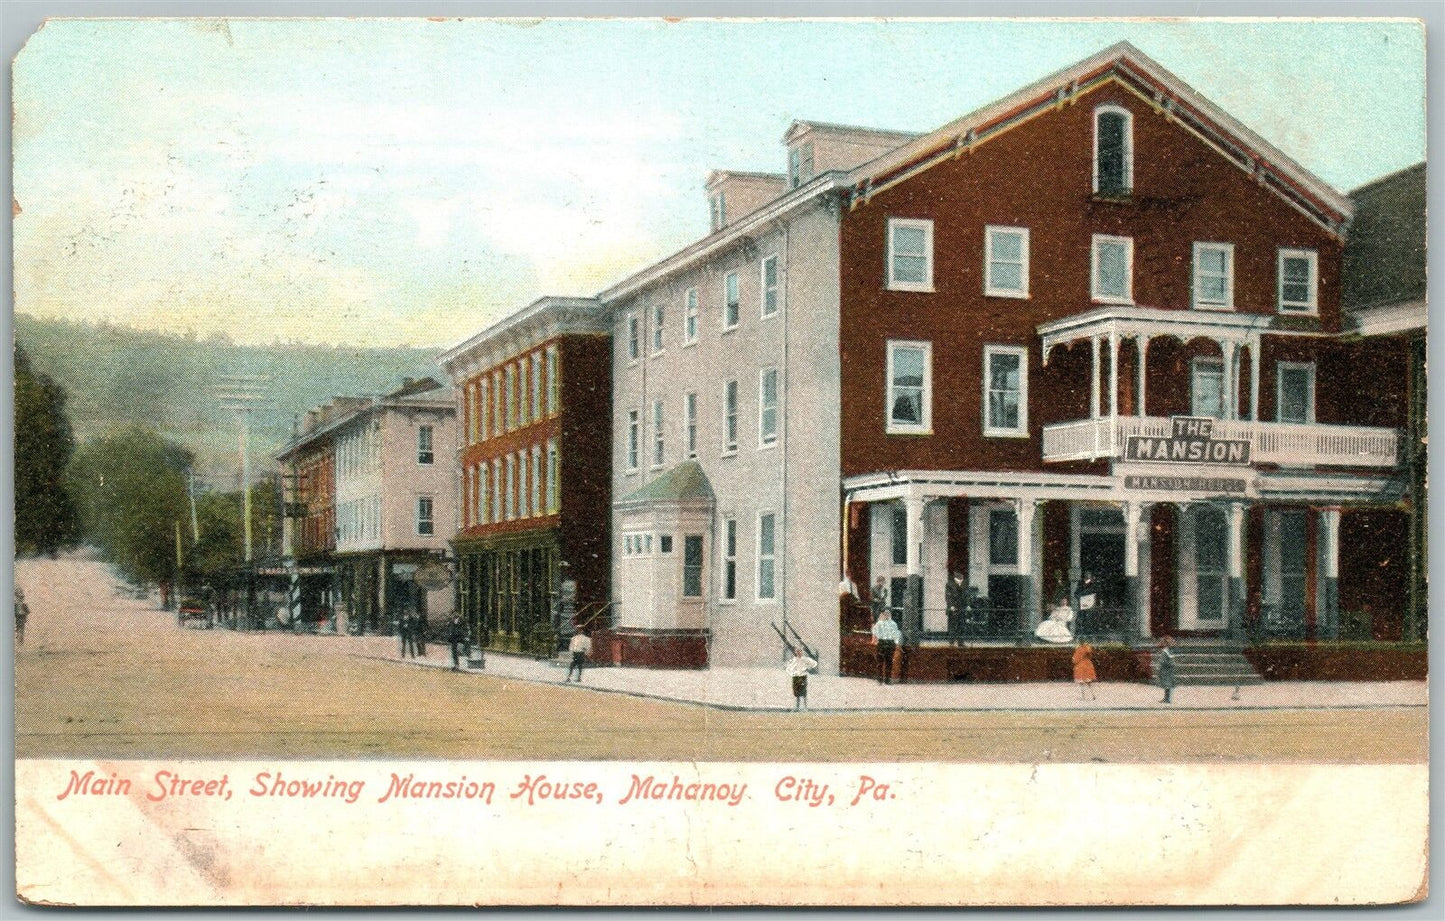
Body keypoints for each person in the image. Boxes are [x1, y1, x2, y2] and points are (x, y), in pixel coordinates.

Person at [871, 610, 902, 685]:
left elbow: (896, 634)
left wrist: (896, 643)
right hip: (882, 642)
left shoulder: (893, 624)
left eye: (888, 614)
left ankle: (886, 680)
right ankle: (880, 680)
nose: (886, 615)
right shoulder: (879, 623)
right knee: (881, 662)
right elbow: (874, 631)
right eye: (885, 614)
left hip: (889, 643)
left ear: (890, 614)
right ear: (883, 614)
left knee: (888, 662)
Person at [786, 646, 818, 710]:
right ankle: (797, 707)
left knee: (803, 693)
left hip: (803, 676)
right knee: (796, 693)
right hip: (796, 677)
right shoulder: (793, 660)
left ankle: (805, 707)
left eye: (800, 651)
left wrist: (808, 668)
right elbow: (788, 668)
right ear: (795, 652)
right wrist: (792, 673)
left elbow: (814, 663)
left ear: (802, 652)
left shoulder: (805, 659)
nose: (799, 653)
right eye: (797, 651)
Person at [945, 571, 968, 647]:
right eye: (959, 579)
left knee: (961, 626)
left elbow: (966, 596)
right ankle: (951, 643)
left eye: (961, 579)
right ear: (955, 579)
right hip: (953, 610)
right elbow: (948, 597)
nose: (961, 580)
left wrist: (967, 605)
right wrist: (951, 606)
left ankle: (961, 643)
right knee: (952, 626)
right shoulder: (949, 585)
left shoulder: (964, 585)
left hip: (961, 609)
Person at [1155, 636, 1177, 704]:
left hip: (1165, 670)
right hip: (1169, 670)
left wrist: (1159, 667)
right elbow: (1172, 661)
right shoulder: (1169, 651)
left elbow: (1163, 661)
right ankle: (1167, 698)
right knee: (1167, 685)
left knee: (1167, 684)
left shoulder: (1165, 651)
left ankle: (1167, 698)